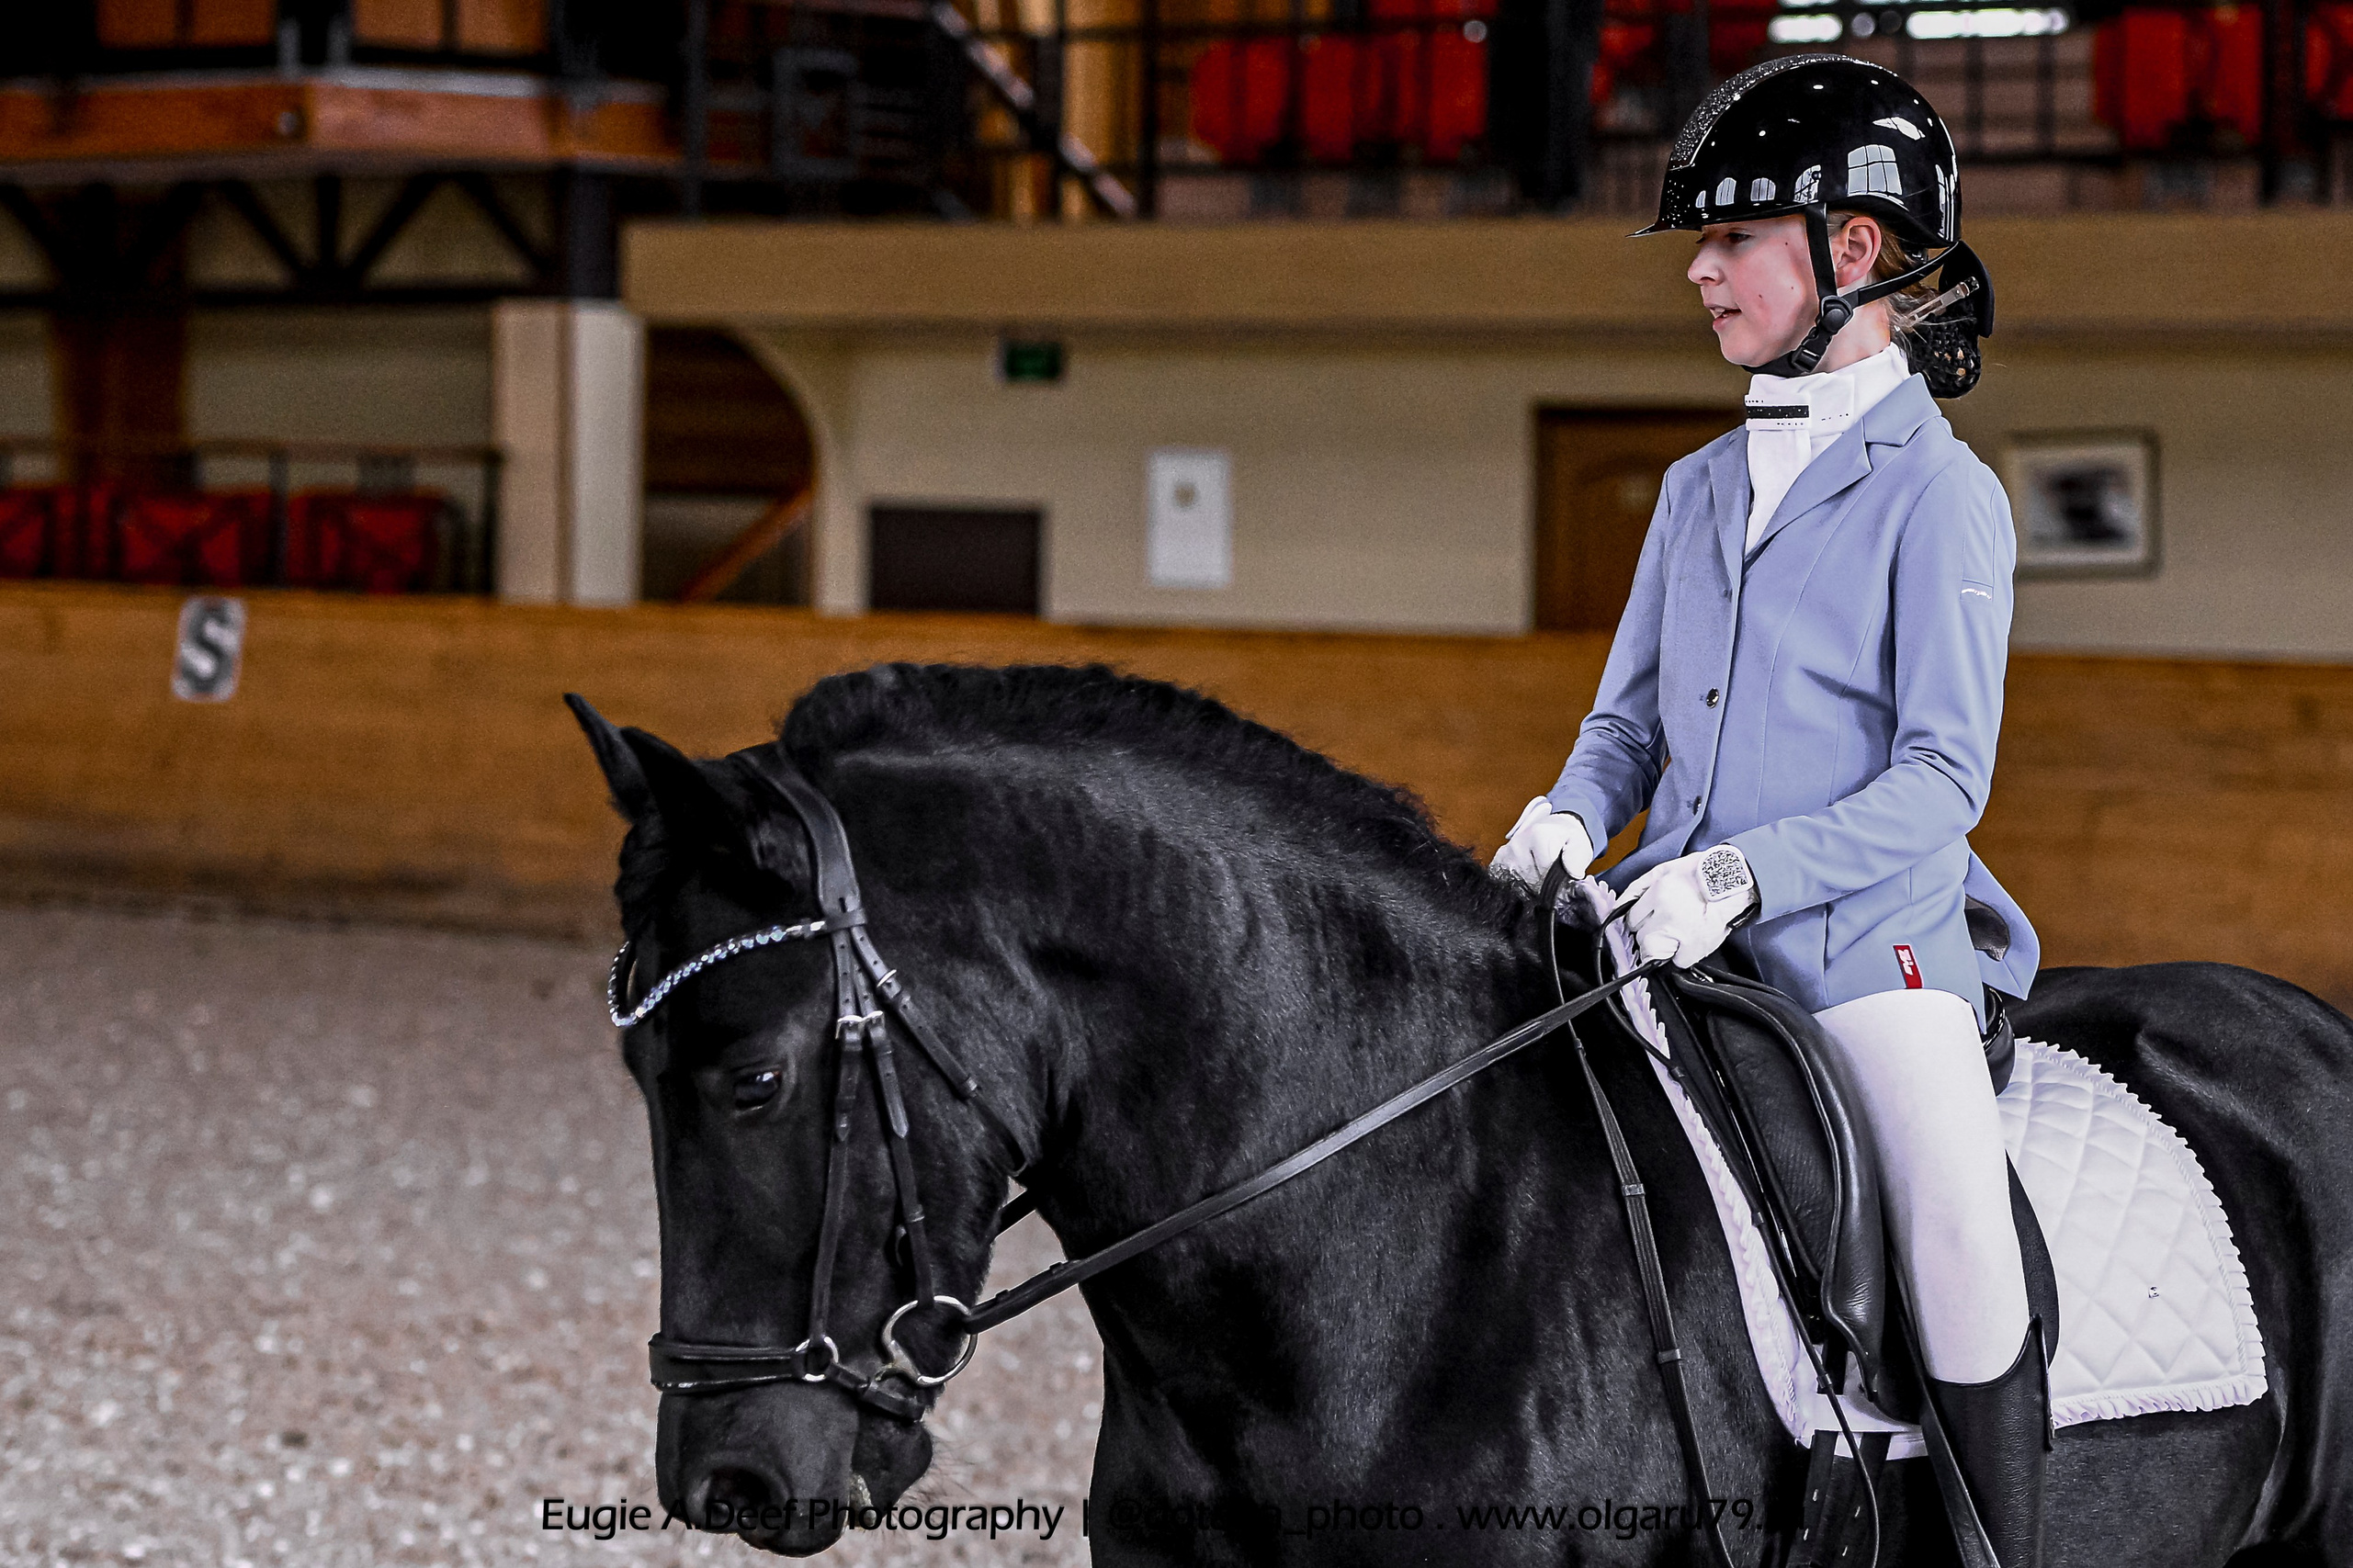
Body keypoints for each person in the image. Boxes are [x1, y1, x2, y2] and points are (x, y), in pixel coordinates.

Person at [1491, 54, 2048, 1568]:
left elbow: (1943, 779)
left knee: (1955, 1228)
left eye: (1731, 238)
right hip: (1660, 923)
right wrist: (1566, 819)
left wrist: (1744, 875)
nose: (1698, 268)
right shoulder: (1691, 487)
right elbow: (1625, 725)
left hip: (1870, 949)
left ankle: (1996, 1548)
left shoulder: (1940, 497)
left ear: (1849, 248)